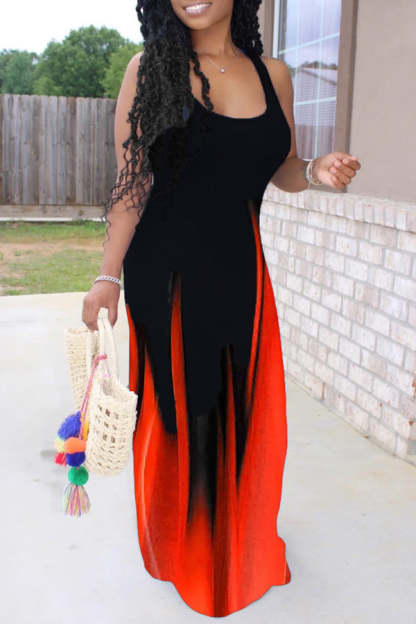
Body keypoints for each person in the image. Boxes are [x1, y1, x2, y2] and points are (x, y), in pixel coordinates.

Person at [82, 0, 361, 617]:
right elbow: (132, 183)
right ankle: (186, 553)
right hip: (168, 273)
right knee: (185, 414)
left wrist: (316, 170)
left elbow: (281, 168)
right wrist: (107, 276)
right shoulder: (149, 69)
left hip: (241, 269)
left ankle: (231, 543)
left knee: (241, 408)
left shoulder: (273, 74)